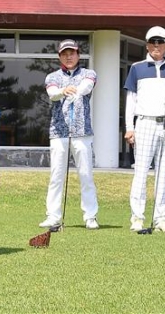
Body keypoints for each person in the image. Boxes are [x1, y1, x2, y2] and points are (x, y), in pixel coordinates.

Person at [123, 26, 165, 232]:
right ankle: (137, 217)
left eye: (160, 42)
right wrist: (129, 127)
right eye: (153, 42)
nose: (156, 46)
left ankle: (161, 217)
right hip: (145, 122)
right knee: (141, 171)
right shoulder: (137, 67)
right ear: (147, 44)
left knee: (162, 172)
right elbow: (131, 99)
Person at [39, 39, 100, 230]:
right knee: (56, 175)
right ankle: (53, 216)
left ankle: (90, 216)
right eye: (65, 53)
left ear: (78, 55)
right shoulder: (52, 77)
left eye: (72, 53)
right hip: (59, 132)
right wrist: (63, 91)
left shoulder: (88, 73)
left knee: (86, 175)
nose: (68, 56)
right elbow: (52, 94)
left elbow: (87, 87)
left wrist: (77, 91)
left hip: (82, 133)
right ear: (59, 56)